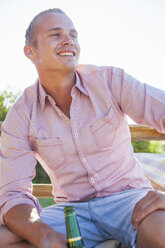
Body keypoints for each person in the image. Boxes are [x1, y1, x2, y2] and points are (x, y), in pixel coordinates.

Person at [0, 8, 165, 248]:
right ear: (30, 52)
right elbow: (13, 193)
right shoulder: (21, 114)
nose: (69, 40)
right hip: (70, 212)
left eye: (73, 35)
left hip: (130, 202)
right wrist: (42, 235)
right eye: (56, 34)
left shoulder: (110, 81)